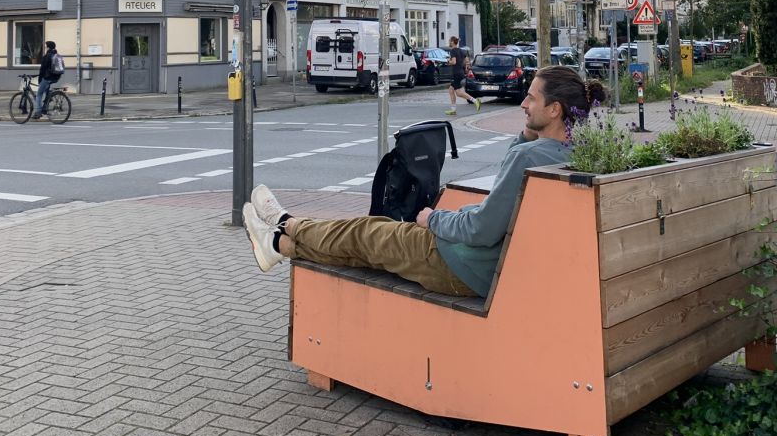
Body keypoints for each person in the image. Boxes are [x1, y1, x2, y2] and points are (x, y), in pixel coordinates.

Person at [242, 66, 591, 297]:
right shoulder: (580, 153)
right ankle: (278, 245)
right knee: (371, 248)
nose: (524, 104)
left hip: (462, 264)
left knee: (367, 234)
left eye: (532, 97)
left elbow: (483, 230)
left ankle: (285, 224)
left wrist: (432, 219)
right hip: (496, 266)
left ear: (555, 109)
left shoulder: (529, 158)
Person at [444, 36, 480, 116]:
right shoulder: (461, 50)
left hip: (456, 74)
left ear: (453, 42)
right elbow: (467, 60)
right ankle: (453, 110)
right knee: (451, 90)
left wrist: (448, 61)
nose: (449, 42)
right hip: (460, 73)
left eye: (450, 41)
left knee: (459, 93)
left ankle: (474, 101)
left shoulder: (453, 51)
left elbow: (453, 62)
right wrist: (466, 66)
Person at [32, 40, 62, 119]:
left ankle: (38, 113)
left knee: (39, 94)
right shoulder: (56, 55)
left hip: (47, 77)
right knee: (46, 91)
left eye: (45, 46)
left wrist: (39, 79)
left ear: (48, 47)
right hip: (56, 77)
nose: (45, 47)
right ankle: (46, 105)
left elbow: (42, 69)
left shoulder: (47, 56)